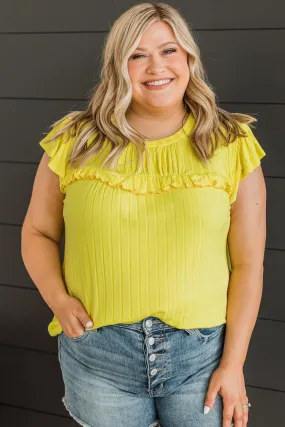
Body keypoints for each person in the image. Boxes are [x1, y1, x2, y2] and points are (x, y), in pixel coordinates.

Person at [21, 2, 266, 427]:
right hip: (98, 355)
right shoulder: (74, 140)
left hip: (201, 359)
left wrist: (234, 364)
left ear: (189, 58)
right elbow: (38, 232)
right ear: (119, 65)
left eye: (169, 50)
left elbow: (248, 265)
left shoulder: (231, 142)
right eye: (137, 54)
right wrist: (57, 300)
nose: (157, 66)